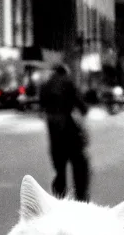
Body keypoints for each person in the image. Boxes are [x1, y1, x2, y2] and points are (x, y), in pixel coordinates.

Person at [38, 63, 91, 201]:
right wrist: (83, 109)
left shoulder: (45, 85)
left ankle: (60, 201)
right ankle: (81, 199)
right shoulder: (68, 82)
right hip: (68, 128)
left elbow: (41, 108)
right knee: (79, 164)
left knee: (59, 170)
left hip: (53, 130)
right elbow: (81, 106)